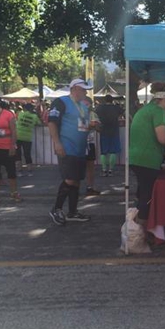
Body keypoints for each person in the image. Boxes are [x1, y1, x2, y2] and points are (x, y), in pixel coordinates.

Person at [129, 91, 165, 231]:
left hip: (137, 157)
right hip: (148, 159)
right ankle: (142, 231)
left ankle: (137, 227)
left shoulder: (145, 109)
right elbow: (163, 138)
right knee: (147, 196)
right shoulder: (159, 111)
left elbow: (149, 137)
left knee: (142, 194)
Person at [48, 78, 93, 225]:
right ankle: (56, 208)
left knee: (77, 180)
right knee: (70, 179)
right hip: (67, 147)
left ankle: (72, 211)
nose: (85, 92)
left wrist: (93, 126)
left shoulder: (83, 106)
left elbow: (83, 125)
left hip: (80, 149)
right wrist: (57, 142)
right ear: (74, 88)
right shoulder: (61, 102)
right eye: (83, 89)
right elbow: (52, 122)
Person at [95, 94, 123, 177]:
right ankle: (111, 170)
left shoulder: (99, 108)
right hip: (114, 130)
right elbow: (121, 115)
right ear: (112, 100)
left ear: (104, 100)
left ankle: (104, 170)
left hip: (103, 130)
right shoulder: (116, 108)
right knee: (113, 151)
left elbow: (96, 117)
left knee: (104, 152)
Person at [15, 103, 42, 177]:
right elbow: (39, 123)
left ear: (25, 109)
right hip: (27, 138)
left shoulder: (20, 114)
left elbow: (17, 120)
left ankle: (19, 171)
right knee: (27, 154)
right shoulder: (34, 116)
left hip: (18, 136)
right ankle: (29, 171)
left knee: (18, 154)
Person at [83, 96, 101, 195]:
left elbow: (99, 128)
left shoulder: (93, 114)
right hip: (78, 143)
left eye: (87, 104)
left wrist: (95, 125)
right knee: (78, 166)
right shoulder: (75, 113)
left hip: (89, 143)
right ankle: (73, 187)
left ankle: (90, 187)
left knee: (90, 167)